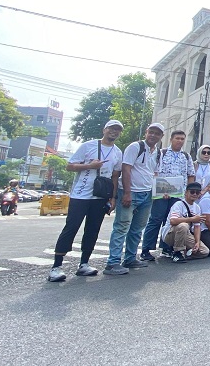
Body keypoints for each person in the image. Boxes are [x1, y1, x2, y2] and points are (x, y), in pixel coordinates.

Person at [48, 119, 124, 282]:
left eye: (117, 130)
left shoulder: (118, 152)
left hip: (100, 197)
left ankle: (84, 264)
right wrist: (89, 166)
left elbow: (115, 176)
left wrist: (113, 197)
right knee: (71, 227)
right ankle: (56, 266)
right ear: (104, 130)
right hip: (80, 195)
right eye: (111, 128)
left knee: (93, 230)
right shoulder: (88, 146)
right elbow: (69, 166)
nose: (114, 132)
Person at [105, 122, 165, 275]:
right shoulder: (135, 147)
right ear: (146, 132)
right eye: (151, 132)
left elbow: (155, 174)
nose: (153, 135)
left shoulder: (158, 153)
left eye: (157, 133)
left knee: (137, 229)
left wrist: (157, 192)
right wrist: (126, 192)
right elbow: (126, 168)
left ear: (161, 136)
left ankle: (130, 258)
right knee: (122, 226)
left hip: (147, 194)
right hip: (130, 193)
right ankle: (112, 263)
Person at [140, 129, 194, 261]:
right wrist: (159, 189)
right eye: (177, 138)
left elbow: (191, 174)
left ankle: (166, 247)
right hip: (161, 194)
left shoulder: (186, 156)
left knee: (171, 222)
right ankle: (146, 250)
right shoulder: (161, 153)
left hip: (178, 196)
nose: (180, 141)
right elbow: (154, 172)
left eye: (182, 139)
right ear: (171, 139)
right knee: (155, 220)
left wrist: (189, 192)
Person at [162, 182, 208, 262]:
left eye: (197, 192)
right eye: (192, 192)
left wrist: (197, 242)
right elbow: (173, 221)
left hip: (185, 234)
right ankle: (177, 252)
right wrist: (191, 219)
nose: (195, 194)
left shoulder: (197, 208)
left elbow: (197, 227)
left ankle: (186, 253)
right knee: (184, 225)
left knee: (204, 251)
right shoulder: (178, 204)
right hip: (170, 233)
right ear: (186, 192)